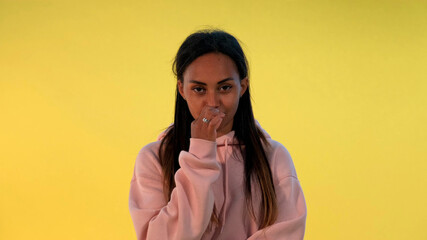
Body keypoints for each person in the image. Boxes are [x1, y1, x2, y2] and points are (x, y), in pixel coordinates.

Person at [128, 29, 307, 240]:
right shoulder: (153, 158)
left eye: (224, 87)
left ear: (243, 87)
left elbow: (287, 233)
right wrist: (200, 154)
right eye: (199, 89)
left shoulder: (274, 156)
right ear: (182, 89)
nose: (213, 103)